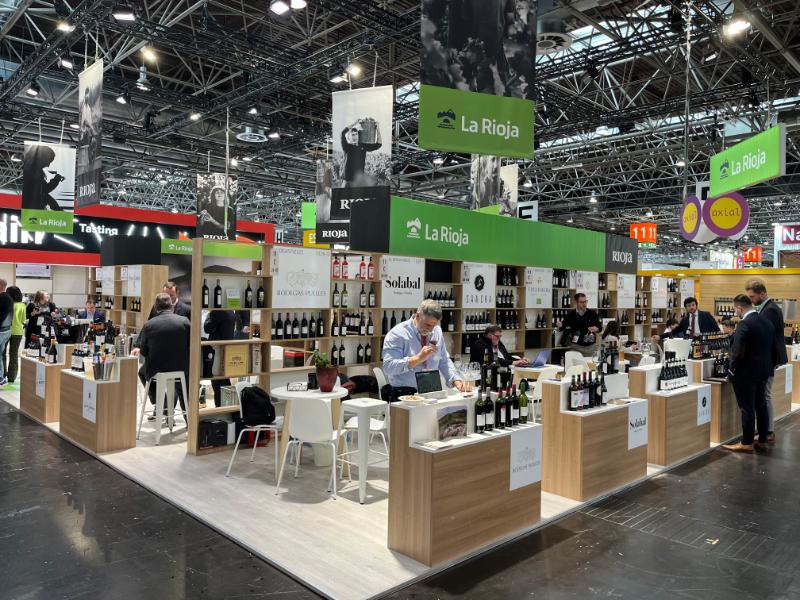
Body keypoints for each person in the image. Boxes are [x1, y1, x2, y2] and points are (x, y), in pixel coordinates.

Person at [382, 299, 468, 402]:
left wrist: (456, 380)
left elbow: (444, 360)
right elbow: (388, 367)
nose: (431, 329)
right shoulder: (397, 334)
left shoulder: (436, 331)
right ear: (418, 316)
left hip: (431, 392)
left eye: (434, 325)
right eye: (428, 325)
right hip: (404, 394)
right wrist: (418, 358)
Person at [723, 294, 774, 453]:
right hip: (763, 370)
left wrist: (731, 370)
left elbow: (736, 351)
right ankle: (763, 440)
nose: (735, 313)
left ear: (739, 308)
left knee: (747, 407)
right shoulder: (766, 322)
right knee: (761, 405)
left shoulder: (744, 324)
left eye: (735, 309)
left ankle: (746, 442)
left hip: (745, 373)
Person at [132, 293, 191, 419]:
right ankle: (189, 422)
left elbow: (144, 352)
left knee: (143, 372)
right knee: (183, 388)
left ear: (156, 307)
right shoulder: (184, 321)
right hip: (181, 367)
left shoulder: (149, 325)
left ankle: (161, 403)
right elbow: (190, 345)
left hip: (157, 369)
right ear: (171, 306)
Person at [745, 279, 788, 444]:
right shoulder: (768, 308)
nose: (751, 300)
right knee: (764, 394)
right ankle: (764, 429)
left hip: (769, 357)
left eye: (752, 296)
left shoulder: (770, 310)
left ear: (762, 293)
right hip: (769, 356)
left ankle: (768, 430)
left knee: (765, 394)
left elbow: (764, 336)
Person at [203, 310, 236, 407]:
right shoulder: (231, 312)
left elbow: (207, 328)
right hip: (226, 348)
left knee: (217, 382)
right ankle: (229, 407)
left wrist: (209, 315)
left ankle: (220, 409)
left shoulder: (217, 312)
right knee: (225, 380)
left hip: (216, 349)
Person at [22, 144, 65, 211]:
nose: (48, 165)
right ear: (42, 158)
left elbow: (43, 191)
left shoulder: (33, 171)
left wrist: (57, 179)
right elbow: (44, 192)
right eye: (48, 161)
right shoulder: (32, 172)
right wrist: (56, 179)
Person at [557, 293, 601, 357]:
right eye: (581, 302)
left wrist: (597, 329)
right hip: (575, 347)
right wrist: (560, 325)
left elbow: (600, 327)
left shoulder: (592, 314)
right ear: (576, 302)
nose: (584, 304)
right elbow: (562, 327)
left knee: (589, 363)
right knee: (576, 363)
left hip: (590, 348)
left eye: (585, 301)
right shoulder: (571, 315)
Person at [340, 120, 382, 186]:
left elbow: (379, 144)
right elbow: (342, 133)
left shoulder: (363, 146)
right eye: (353, 135)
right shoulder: (346, 146)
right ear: (348, 137)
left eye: (356, 134)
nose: (355, 136)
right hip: (347, 181)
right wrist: (355, 123)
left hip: (358, 182)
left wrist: (378, 128)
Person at [3, 286, 25, 384]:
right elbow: (23, 319)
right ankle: (12, 377)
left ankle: (3, 374)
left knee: (3, 353)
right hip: (18, 332)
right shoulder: (22, 305)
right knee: (14, 354)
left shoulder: (7, 303)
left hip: (6, 330)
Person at [0, 279, 12, 387]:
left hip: (1, 331)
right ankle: (1, 378)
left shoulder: (3, 298)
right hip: (6, 330)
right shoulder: (9, 298)